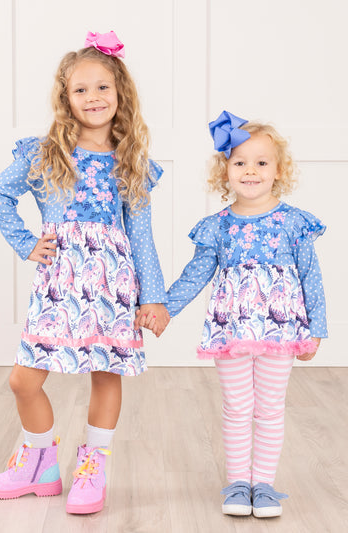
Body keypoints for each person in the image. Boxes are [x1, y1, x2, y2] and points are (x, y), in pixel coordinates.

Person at [0, 30, 170, 514]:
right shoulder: (45, 152)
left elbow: (142, 237)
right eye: (80, 89)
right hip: (59, 284)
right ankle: (39, 466)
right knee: (24, 380)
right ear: (66, 98)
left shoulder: (131, 163)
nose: (93, 97)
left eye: (102, 87)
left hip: (113, 285)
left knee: (106, 374)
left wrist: (153, 297)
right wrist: (27, 243)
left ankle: (93, 467)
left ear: (120, 92)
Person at [143, 111, 328, 518]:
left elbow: (311, 277)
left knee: (270, 408)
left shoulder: (294, 223)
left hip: (281, 332)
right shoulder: (217, 227)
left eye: (261, 162)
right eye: (240, 162)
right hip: (230, 330)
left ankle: (264, 485)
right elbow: (196, 274)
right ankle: (239, 484)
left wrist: (316, 329)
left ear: (279, 170)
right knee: (237, 407)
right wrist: (164, 308)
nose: (250, 171)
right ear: (224, 170)